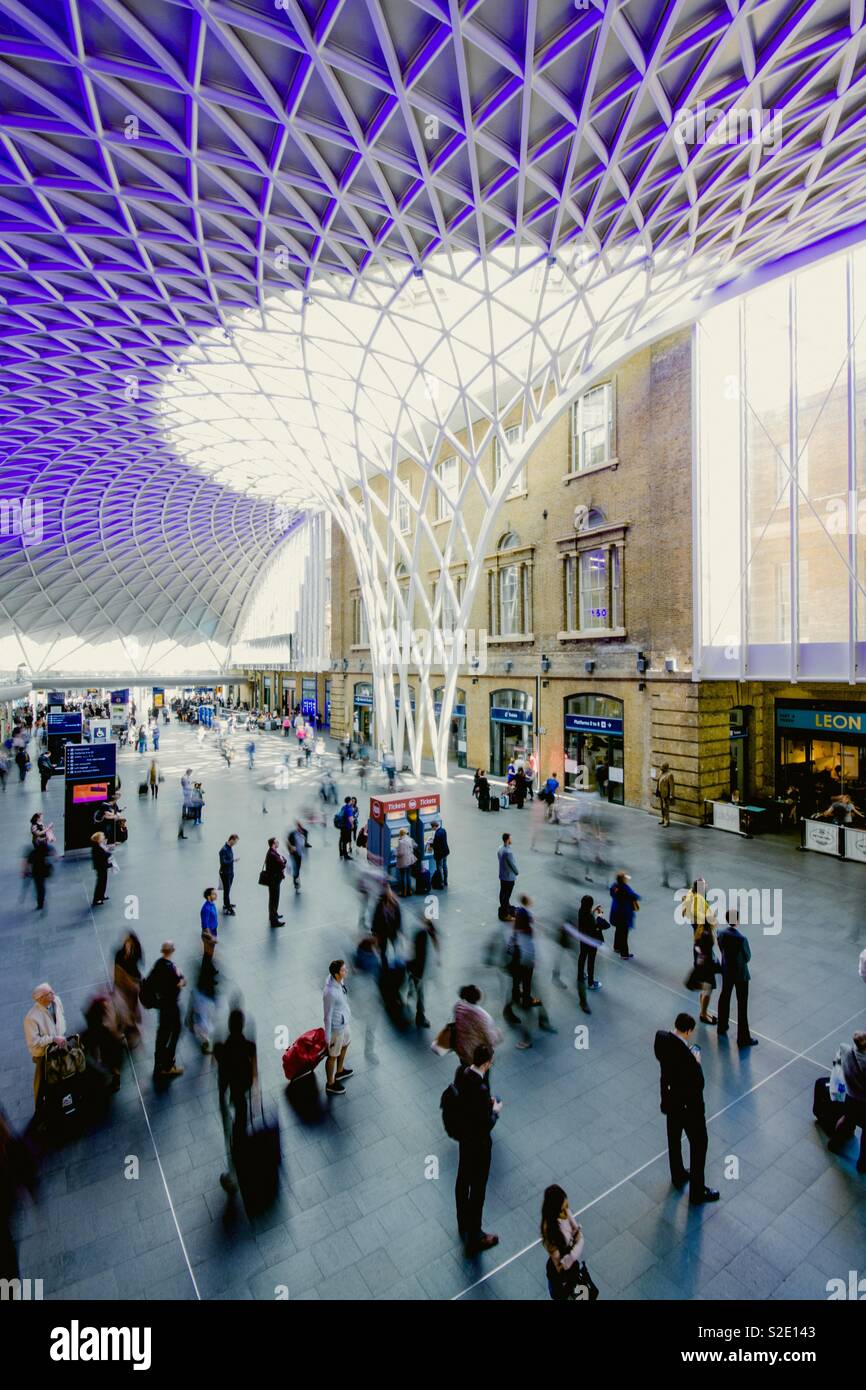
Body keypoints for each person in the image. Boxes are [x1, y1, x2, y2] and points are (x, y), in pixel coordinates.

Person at [653, 1012, 719, 1206]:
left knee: (674, 1139)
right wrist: (696, 1063)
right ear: (689, 1030)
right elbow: (699, 1083)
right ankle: (698, 1192)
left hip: (671, 1101)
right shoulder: (688, 1058)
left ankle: (678, 1174)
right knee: (699, 1146)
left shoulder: (661, 1039)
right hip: (690, 1107)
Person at [453, 1044, 501, 1255]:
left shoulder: (462, 1074)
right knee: (478, 1188)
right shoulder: (481, 1089)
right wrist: (495, 1111)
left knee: (463, 1179)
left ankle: (462, 1221)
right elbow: (485, 1124)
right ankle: (476, 1235)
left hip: (464, 1140)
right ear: (488, 1062)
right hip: (479, 1145)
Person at [215, 1009, 258, 1194]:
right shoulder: (250, 1046)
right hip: (243, 1093)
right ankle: (245, 1163)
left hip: (227, 1093)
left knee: (230, 1135)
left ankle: (232, 1175)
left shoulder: (222, 1047)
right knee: (241, 1127)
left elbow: (220, 1072)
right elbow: (254, 1074)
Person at [504, 898, 555, 1048]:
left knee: (525, 1001)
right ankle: (541, 1020)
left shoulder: (521, 935)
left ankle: (527, 1038)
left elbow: (520, 954)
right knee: (523, 995)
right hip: (525, 971)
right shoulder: (524, 932)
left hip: (523, 971)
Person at [541, 1186, 597, 1301]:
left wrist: (571, 1255)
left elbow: (579, 1236)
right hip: (560, 1281)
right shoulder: (550, 1232)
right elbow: (561, 1267)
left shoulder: (566, 1213)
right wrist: (576, 1244)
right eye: (562, 1209)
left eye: (567, 1206)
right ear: (554, 1211)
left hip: (572, 1271)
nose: (567, 1212)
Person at [716, 910, 758, 1047]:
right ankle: (743, 1038)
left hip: (727, 971)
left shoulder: (720, 933)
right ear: (737, 920)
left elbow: (721, 948)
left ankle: (722, 1026)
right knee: (742, 1005)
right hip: (740, 975)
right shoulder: (742, 939)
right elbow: (747, 957)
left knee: (725, 996)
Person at [23, 983, 66, 1113]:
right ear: (41, 999)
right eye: (49, 993)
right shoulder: (31, 1018)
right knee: (41, 1080)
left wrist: (61, 1034)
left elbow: (61, 1016)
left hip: (59, 1043)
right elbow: (34, 1042)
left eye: (52, 990)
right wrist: (53, 1039)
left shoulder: (56, 1000)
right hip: (43, 1053)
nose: (53, 993)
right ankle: (39, 1108)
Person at [827, 1032, 866, 1173]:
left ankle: (834, 1143)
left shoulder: (846, 1050)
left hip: (850, 1097)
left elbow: (836, 1062)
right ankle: (863, 1163)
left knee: (846, 1119)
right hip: (863, 1103)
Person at [147, 941, 186, 1079]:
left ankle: (158, 1065)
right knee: (175, 1032)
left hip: (162, 1005)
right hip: (172, 1006)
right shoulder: (172, 968)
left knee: (162, 1034)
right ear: (172, 950)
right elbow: (182, 982)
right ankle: (168, 1065)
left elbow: (150, 982)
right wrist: (181, 981)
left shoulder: (158, 964)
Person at [323, 960, 353, 1096]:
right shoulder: (329, 993)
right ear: (336, 974)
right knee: (332, 1055)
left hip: (344, 1022)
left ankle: (339, 1071)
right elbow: (327, 1015)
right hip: (336, 1028)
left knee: (346, 1043)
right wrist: (328, 1037)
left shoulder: (338, 981)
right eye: (343, 970)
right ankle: (330, 1084)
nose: (345, 971)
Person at [453, 985, 502, 1065]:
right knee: (480, 1075)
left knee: (465, 1068)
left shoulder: (459, 1006)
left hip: (462, 1049)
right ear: (478, 997)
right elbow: (490, 1039)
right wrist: (497, 1034)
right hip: (477, 1054)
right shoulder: (483, 1016)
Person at [406, 915, 438, 1029]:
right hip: (419, 971)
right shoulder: (423, 935)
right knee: (420, 994)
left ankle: (409, 992)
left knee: (415, 986)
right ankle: (420, 1017)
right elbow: (421, 957)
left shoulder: (420, 932)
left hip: (415, 969)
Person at [188, 934, 218, 1054]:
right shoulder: (207, 960)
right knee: (204, 1021)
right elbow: (205, 979)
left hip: (205, 995)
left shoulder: (207, 959)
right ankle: (205, 1042)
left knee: (205, 1019)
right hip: (204, 995)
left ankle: (200, 1032)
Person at [114, 932, 143, 1047]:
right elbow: (116, 970)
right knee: (122, 1007)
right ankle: (125, 1028)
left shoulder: (136, 952)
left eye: (129, 943)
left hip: (133, 984)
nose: (127, 945)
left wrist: (135, 982)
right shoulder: (119, 953)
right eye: (126, 943)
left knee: (132, 1007)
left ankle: (132, 1030)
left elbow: (137, 967)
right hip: (122, 984)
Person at [577, 896, 610, 997]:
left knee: (582, 956)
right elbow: (605, 925)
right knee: (591, 960)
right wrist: (599, 916)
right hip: (592, 942)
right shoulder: (591, 919)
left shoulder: (581, 911)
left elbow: (588, 914)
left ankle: (580, 975)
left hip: (583, 939)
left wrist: (594, 910)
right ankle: (591, 983)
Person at [691, 923, 720, 1025]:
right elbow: (703, 952)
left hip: (703, 966)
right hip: (706, 968)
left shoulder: (700, 931)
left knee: (705, 990)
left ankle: (703, 1011)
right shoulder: (706, 934)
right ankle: (703, 1014)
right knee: (708, 990)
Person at [609, 870, 640, 959]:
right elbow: (635, 896)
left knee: (618, 930)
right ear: (623, 880)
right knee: (624, 934)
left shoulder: (614, 887)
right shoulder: (625, 889)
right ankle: (624, 954)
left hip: (615, 913)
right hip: (623, 914)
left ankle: (616, 947)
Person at [26, 833, 54, 911]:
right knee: (41, 887)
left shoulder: (33, 853)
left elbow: (28, 863)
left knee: (39, 887)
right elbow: (52, 855)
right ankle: (41, 899)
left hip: (36, 872)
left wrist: (27, 871)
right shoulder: (46, 850)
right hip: (44, 871)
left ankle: (40, 903)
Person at [263, 837, 286, 927]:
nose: (278, 843)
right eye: (276, 842)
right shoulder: (272, 854)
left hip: (273, 879)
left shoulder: (272, 852)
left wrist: (282, 859)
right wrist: (282, 860)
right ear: (273, 843)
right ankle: (274, 920)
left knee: (273, 899)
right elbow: (281, 863)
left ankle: (273, 915)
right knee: (274, 899)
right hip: (274, 880)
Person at [497, 832, 518, 920]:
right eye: (511, 838)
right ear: (508, 839)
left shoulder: (500, 848)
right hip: (509, 877)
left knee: (502, 892)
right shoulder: (508, 852)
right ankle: (505, 914)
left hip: (502, 875)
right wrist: (517, 872)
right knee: (507, 895)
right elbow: (512, 865)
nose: (512, 840)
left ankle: (504, 908)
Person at [90, 830, 113, 906]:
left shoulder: (99, 845)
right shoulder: (97, 848)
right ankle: (96, 899)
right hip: (101, 867)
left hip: (102, 866)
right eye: (102, 836)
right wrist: (108, 853)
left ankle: (101, 896)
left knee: (103, 882)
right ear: (98, 839)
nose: (103, 837)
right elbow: (104, 855)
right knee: (100, 883)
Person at [219, 834, 238, 914]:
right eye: (235, 842)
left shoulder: (229, 848)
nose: (235, 844)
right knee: (226, 890)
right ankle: (227, 907)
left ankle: (226, 903)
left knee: (228, 889)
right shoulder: (223, 850)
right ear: (231, 840)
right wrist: (233, 861)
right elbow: (223, 862)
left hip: (230, 872)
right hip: (225, 873)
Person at [394, 827, 416, 897]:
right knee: (408, 876)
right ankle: (409, 891)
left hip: (403, 862)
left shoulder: (401, 842)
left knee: (403, 876)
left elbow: (400, 853)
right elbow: (415, 846)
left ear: (400, 834)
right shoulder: (409, 839)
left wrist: (395, 853)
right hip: (409, 861)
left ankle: (404, 892)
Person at [287, 823, 305, 893]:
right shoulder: (292, 834)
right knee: (295, 868)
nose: (300, 830)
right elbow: (287, 842)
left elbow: (301, 844)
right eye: (299, 828)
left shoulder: (301, 834)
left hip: (299, 855)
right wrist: (291, 848)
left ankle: (296, 878)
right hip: (294, 854)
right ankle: (296, 883)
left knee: (298, 868)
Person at [431, 819, 450, 887]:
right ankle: (445, 881)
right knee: (445, 866)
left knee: (439, 867)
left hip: (440, 854)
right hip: (445, 851)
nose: (432, 829)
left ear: (434, 826)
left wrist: (430, 844)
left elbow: (436, 845)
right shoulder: (443, 830)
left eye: (432, 828)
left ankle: (441, 883)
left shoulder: (437, 834)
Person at [337, 796, 354, 861]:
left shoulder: (343, 807)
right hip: (347, 827)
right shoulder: (349, 809)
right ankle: (345, 854)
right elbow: (350, 818)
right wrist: (352, 825)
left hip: (342, 826)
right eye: (351, 801)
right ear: (349, 801)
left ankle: (341, 852)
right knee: (345, 840)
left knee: (341, 839)